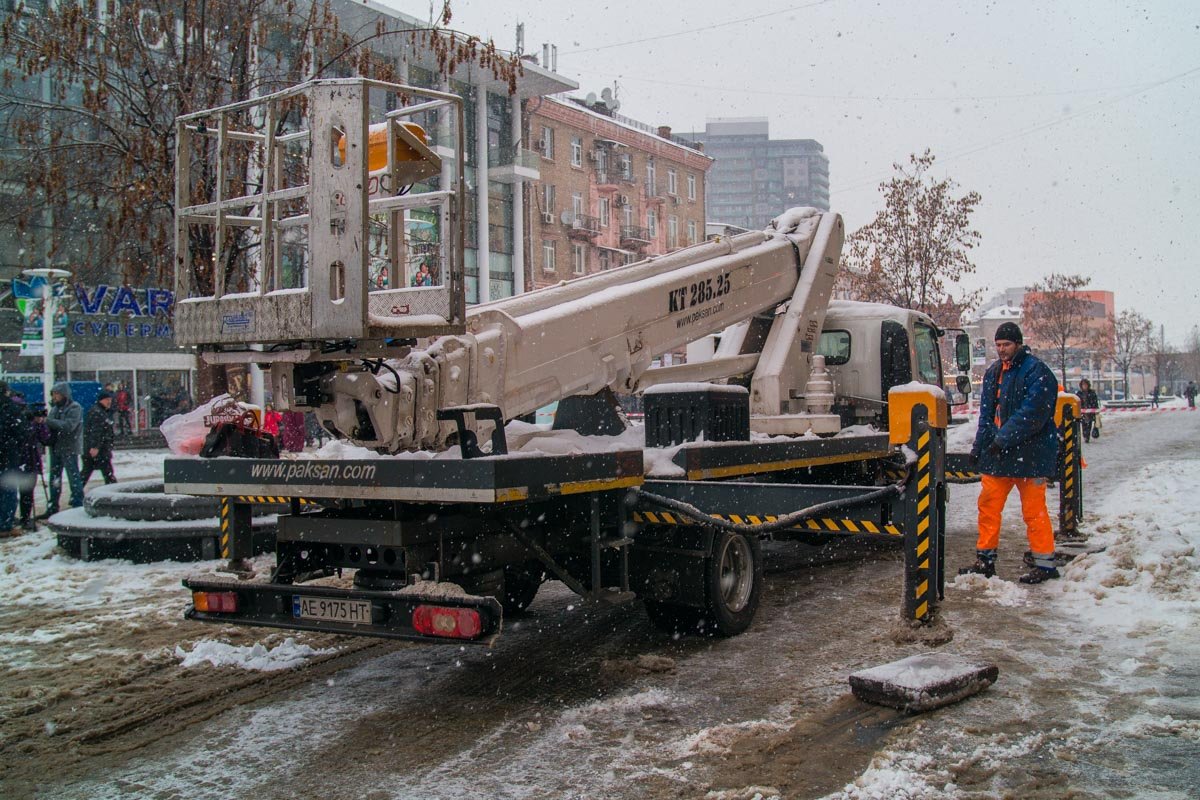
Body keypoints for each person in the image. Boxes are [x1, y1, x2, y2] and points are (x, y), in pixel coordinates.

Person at [960, 322, 1062, 584]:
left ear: (1018, 343)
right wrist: (979, 446)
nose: (1001, 350)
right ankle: (985, 559)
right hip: (1002, 454)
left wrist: (1000, 440)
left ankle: (1044, 563)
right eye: (998, 345)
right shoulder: (995, 372)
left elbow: (1032, 415)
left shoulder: (1037, 372)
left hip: (1030, 456)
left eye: (1006, 345)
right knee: (988, 507)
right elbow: (987, 415)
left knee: (1034, 511)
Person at [39, 382, 85, 518]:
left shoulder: (75, 407)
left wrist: (47, 421)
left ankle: (78, 504)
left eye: (57, 394)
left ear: (64, 394)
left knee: (73, 476)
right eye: (53, 394)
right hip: (56, 447)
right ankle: (53, 505)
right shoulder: (55, 408)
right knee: (55, 477)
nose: (55, 397)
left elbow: (69, 426)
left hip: (69, 447)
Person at [0, 382, 27, 535]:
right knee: (8, 490)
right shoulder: (12, 409)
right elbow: (21, 433)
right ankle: (6, 523)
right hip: (9, 456)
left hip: (6, 454)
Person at [81, 390, 117, 486]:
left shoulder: (100, 411)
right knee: (108, 473)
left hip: (99, 449)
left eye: (110, 399)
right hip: (99, 450)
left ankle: (76, 495)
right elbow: (96, 431)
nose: (109, 402)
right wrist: (95, 446)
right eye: (107, 400)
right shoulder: (98, 413)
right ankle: (113, 495)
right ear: (101, 400)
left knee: (86, 473)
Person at [1076, 379, 1100, 443]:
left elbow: (1095, 402)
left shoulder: (1092, 393)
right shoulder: (1079, 393)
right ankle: (1085, 436)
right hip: (1082, 413)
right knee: (1083, 425)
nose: (1084, 386)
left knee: (1089, 424)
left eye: (1085, 384)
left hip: (1090, 412)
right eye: (1083, 385)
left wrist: (1096, 410)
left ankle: (1087, 437)